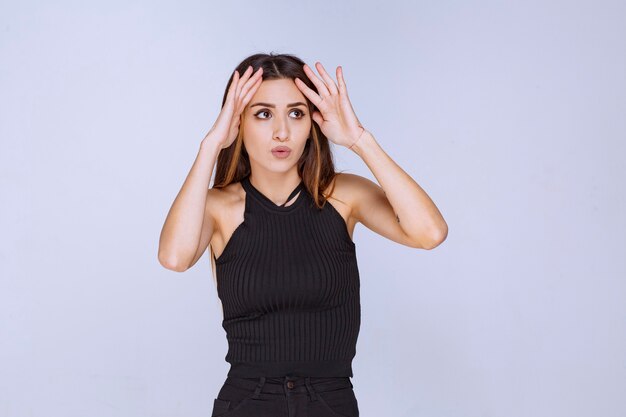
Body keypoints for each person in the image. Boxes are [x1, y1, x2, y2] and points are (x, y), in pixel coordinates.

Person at [158, 52, 448, 417]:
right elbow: (174, 257)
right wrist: (210, 145)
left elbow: (430, 232)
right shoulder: (219, 207)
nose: (282, 131)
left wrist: (359, 139)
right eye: (263, 114)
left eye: (296, 113)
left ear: (312, 122)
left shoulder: (343, 196)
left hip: (331, 402)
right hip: (249, 403)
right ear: (238, 123)